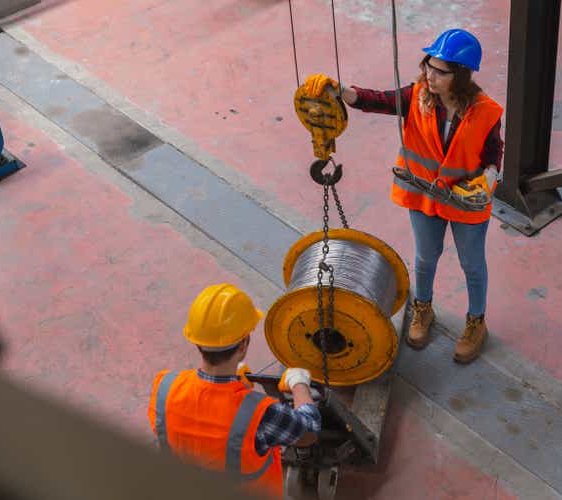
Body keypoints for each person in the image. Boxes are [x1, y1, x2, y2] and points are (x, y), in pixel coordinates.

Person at [308, 29, 503, 363]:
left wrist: (486, 181)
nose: (429, 73)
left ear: (461, 75)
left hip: (465, 200)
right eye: (428, 64)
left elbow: (493, 154)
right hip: (424, 197)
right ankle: (423, 309)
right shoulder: (417, 96)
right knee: (425, 258)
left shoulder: (486, 111)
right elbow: (375, 101)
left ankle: (476, 323)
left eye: (440, 70)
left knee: (472, 264)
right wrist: (338, 89)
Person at [147, 283, 321, 499]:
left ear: (197, 342)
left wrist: (236, 387)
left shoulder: (164, 388)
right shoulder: (262, 416)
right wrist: (299, 384)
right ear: (243, 345)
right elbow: (309, 432)